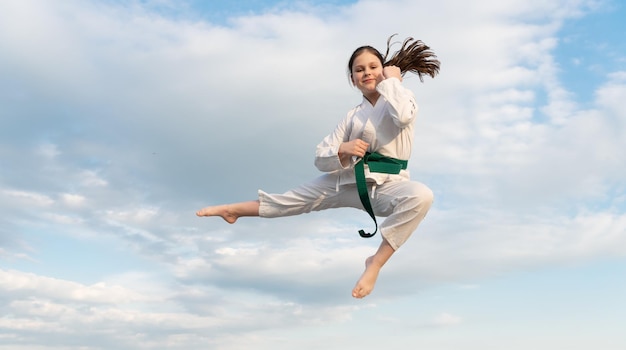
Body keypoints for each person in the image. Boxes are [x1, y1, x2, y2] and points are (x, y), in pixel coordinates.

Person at [197, 35, 440, 299]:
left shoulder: (401, 95)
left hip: (388, 187)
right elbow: (320, 158)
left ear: (383, 70)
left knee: (422, 196)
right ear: (352, 79)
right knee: (289, 200)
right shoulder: (351, 115)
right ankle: (233, 210)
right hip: (346, 180)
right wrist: (343, 150)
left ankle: (375, 263)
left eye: (372, 67)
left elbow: (403, 116)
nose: (366, 73)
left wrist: (393, 82)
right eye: (359, 70)